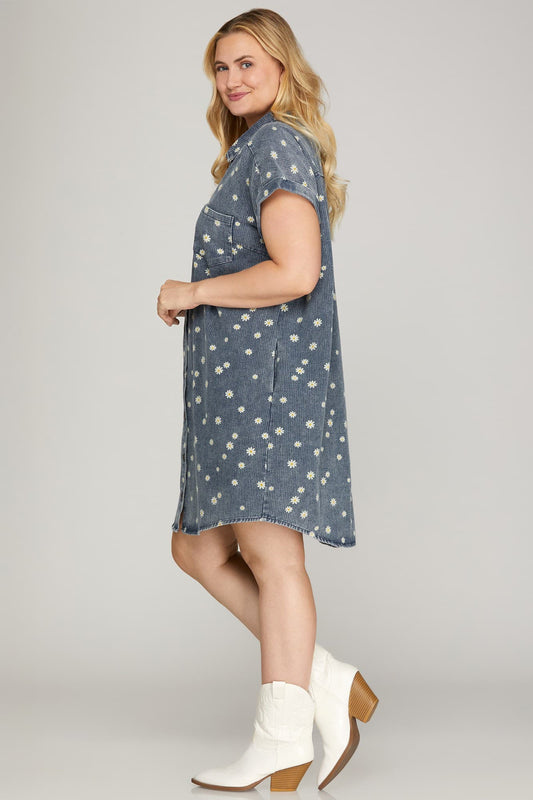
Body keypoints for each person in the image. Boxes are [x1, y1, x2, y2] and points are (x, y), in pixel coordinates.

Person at [157, 8, 378, 793]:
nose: (231, 79)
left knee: (272, 556)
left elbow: (295, 272)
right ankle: (325, 680)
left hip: (267, 388)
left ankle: (281, 737)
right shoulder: (252, 150)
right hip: (239, 388)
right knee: (197, 549)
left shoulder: (278, 145)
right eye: (221, 68)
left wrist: (193, 291)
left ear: (283, 68)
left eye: (247, 63)